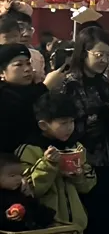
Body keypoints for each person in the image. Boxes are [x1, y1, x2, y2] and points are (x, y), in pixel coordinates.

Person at [60, 27, 109, 234]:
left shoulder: (105, 81)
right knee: (96, 218)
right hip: (87, 162)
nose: (104, 60)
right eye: (99, 54)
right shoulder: (70, 83)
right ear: (84, 53)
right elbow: (76, 126)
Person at [16, 92, 96, 233]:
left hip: (76, 225)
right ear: (43, 125)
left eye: (72, 121)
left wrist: (78, 176)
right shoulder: (29, 150)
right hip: (45, 226)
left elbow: (88, 185)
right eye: (63, 123)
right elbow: (28, 190)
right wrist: (48, 164)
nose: (70, 127)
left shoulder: (75, 147)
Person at [0, 44, 66, 154]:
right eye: (19, 65)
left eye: (28, 63)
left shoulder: (34, 88)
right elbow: (19, 108)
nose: (27, 69)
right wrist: (45, 86)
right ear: (2, 72)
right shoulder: (4, 94)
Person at [0, 153, 55, 232]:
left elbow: (34, 211)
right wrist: (6, 216)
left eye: (20, 174)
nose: (19, 178)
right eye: (12, 175)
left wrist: (30, 197)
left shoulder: (20, 192)